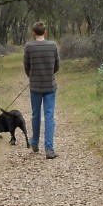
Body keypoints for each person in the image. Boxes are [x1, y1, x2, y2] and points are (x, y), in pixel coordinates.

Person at [23, 21, 60, 159]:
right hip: (50, 86)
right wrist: (49, 74)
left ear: (33, 33)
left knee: (35, 115)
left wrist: (32, 76)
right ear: (45, 32)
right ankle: (49, 149)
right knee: (49, 116)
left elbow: (26, 66)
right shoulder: (52, 45)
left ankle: (35, 143)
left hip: (35, 87)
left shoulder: (29, 47)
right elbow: (57, 66)